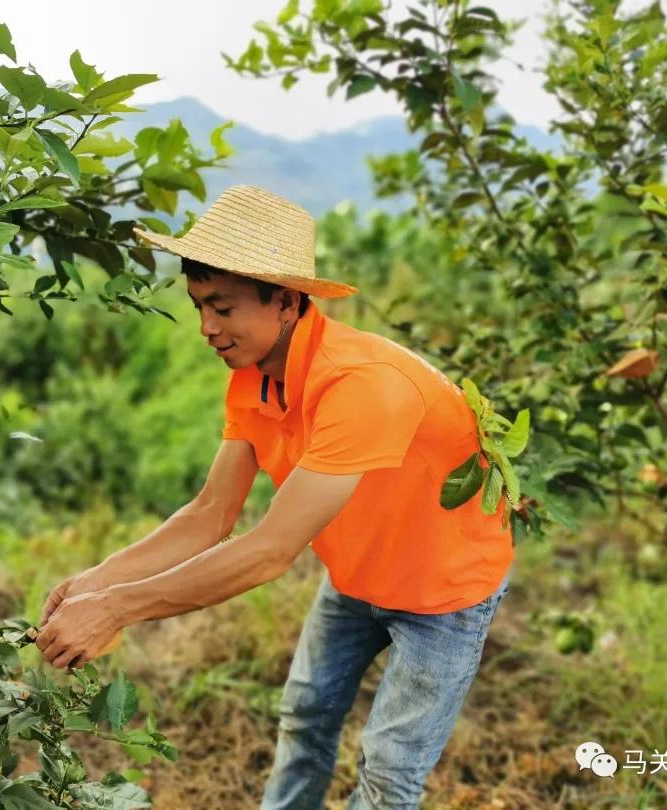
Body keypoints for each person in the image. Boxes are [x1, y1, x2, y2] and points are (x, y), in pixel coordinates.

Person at [35, 185, 514, 809]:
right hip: (355, 573)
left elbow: (269, 551)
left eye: (224, 308)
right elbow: (211, 513)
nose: (207, 328)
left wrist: (116, 610)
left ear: (286, 302)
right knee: (305, 720)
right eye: (200, 306)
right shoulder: (254, 377)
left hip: (443, 590)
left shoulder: (364, 387)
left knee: (390, 772)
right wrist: (97, 581)